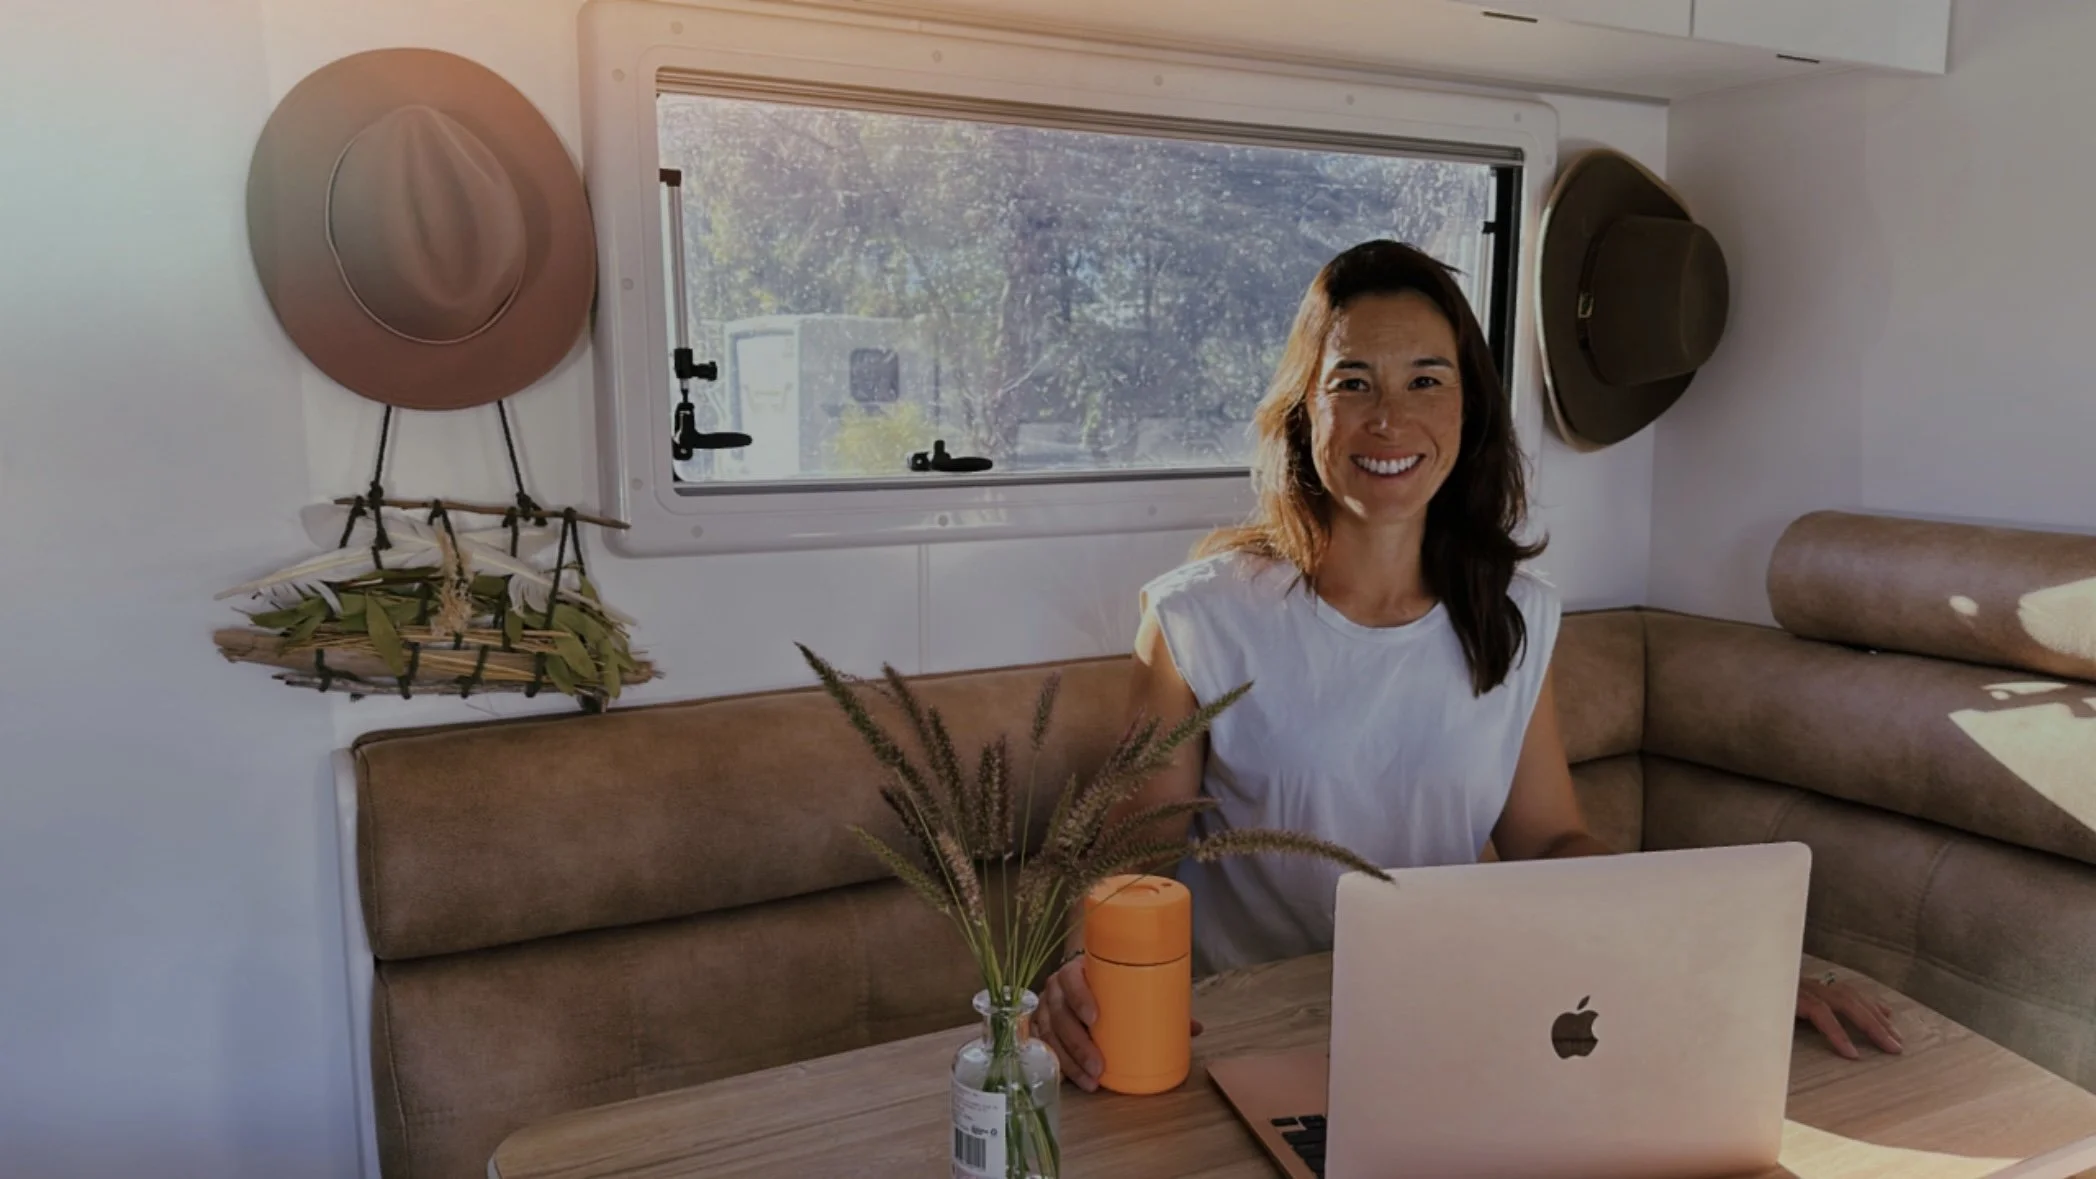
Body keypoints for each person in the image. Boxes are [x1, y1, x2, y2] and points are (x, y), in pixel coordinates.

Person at [1034, 240, 1901, 1092]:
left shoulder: (1517, 615)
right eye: (1352, 382)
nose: (1389, 419)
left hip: (1445, 1029)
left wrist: (1716, 955)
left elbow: (1548, 839)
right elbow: (1130, 858)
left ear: (1468, 410)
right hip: (1243, 1043)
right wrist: (1082, 964)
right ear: (1304, 409)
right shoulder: (1198, 618)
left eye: (1425, 380)